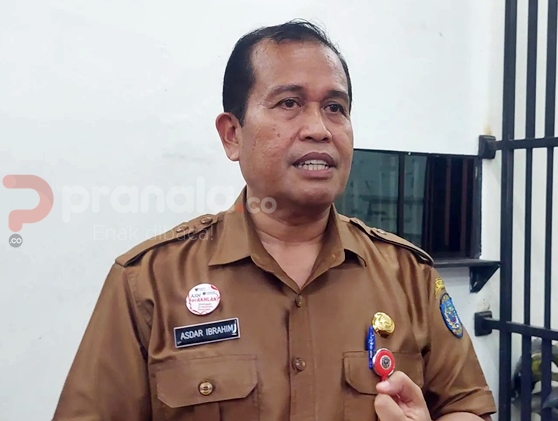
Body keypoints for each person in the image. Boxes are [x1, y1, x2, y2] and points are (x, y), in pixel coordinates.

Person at [52, 19, 496, 421]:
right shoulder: (148, 281)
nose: (319, 128)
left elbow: (466, 407)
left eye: (335, 107)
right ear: (232, 135)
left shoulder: (408, 275)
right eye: (289, 103)